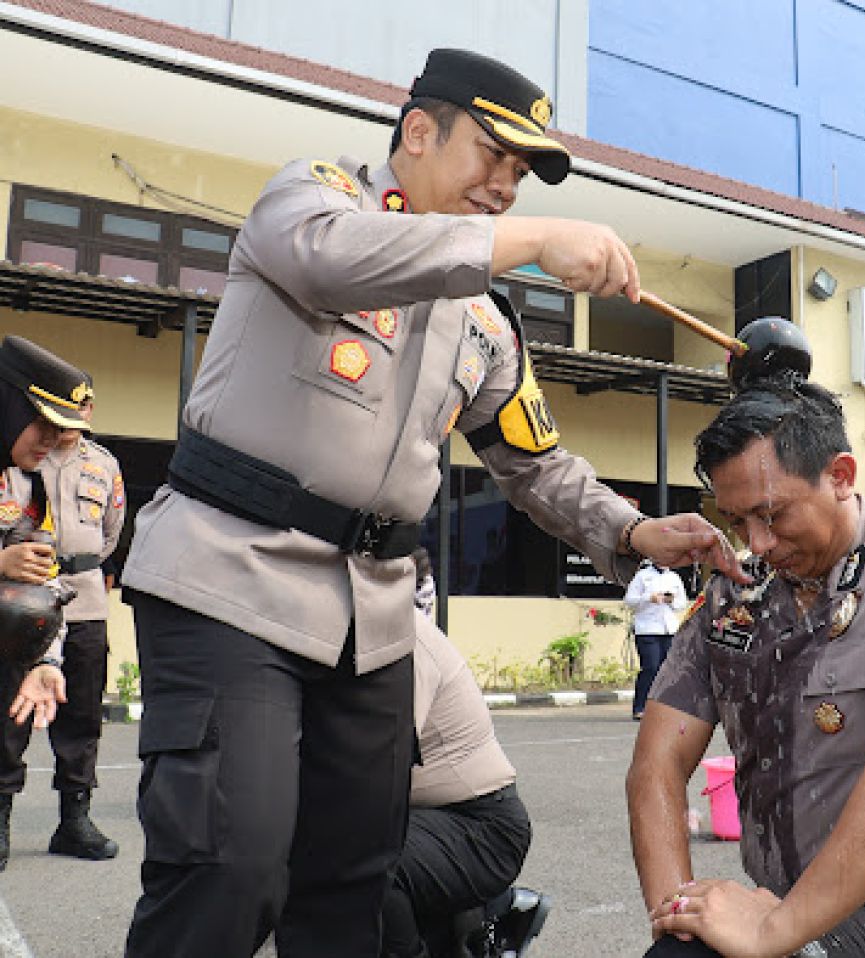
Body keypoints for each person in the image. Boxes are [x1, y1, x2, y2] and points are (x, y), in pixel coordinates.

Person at [119, 48, 744, 958]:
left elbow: (535, 462)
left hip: (371, 623)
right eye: (494, 155)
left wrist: (634, 529)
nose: (507, 185)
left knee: (349, 889)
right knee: (230, 868)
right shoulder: (316, 199)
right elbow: (332, 262)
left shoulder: (483, 322)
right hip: (232, 581)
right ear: (418, 131)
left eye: (522, 175)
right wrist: (528, 243)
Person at [628, 380, 865, 958]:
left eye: (771, 514)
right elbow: (657, 761)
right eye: (736, 521)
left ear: (841, 476)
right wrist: (680, 915)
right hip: (783, 904)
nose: (757, 542)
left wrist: (773, 933)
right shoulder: (736, 599)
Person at [382, 561, 549, 958]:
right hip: (432, 819)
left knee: (364, 858)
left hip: (482, 829)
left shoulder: (404, 642)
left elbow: (379, 762)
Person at [0, 374, 125, 865]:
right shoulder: (20, 462)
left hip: (83, 597)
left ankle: (75, 819)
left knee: (80, 716)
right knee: (10, 713)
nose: (54, 434)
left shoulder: (104, 465)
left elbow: (111, 532)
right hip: (19, 604)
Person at [624, 559, 689, 720]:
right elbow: (629, 600)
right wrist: (648, 598)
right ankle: (640, 706)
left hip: (668, 628)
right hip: (647, 628)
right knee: (651, 667)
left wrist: (671, 600)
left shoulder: (674, 577)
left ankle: (662, 707)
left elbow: (682, 603)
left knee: (666, 670)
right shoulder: (642, 576)